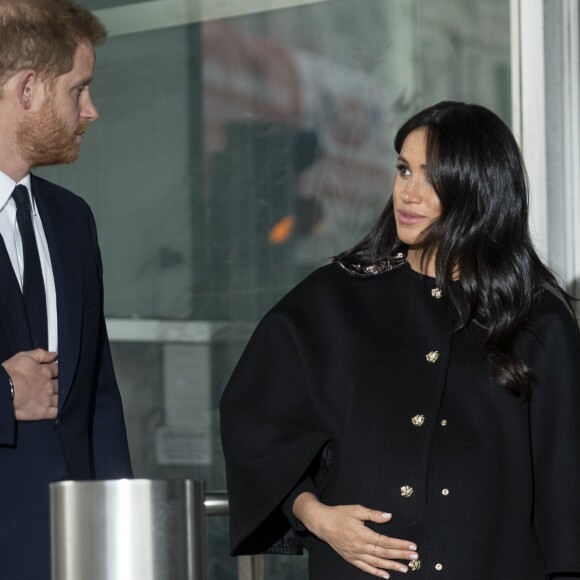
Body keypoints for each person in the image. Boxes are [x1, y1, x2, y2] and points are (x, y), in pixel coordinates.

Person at [220, 101, 580, 580]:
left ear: (478, 190)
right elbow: (253, 422)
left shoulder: (537, 319)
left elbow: (565, 490)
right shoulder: (334, 300)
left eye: (432, 178)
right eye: (404, 170)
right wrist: (315, 516)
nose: (409, 194)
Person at [0, 1, 133, 577]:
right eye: (78, 90)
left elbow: (99, 398)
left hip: (75, 554)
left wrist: (124, 544)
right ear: (27, 89)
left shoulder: (72, 218)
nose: (92, 110)